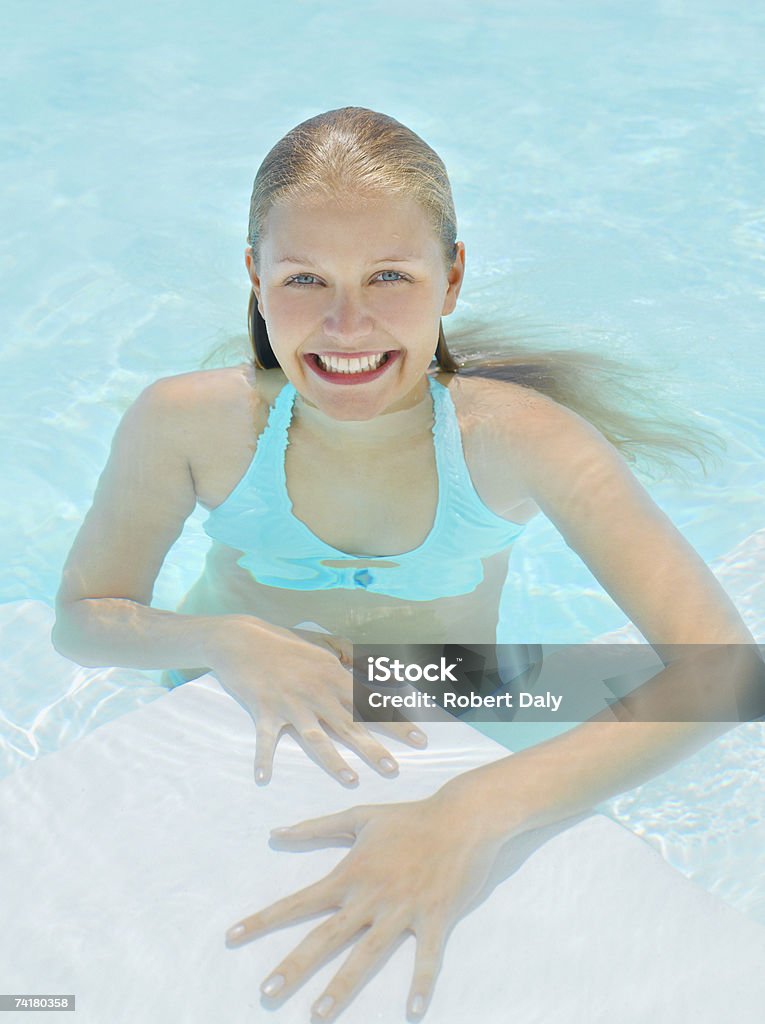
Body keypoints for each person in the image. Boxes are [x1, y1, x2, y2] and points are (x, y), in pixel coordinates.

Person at [52, 107, 760, 1021]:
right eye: (306, 279)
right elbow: (83, 619)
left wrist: (475, 810)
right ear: (255, 279)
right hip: (221, 698)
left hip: (449, 701)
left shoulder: (520, 441)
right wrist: (225, 640)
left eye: (390, 276)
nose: (347, 326)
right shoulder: (189, 422)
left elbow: (726, 674)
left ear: (452, 276)